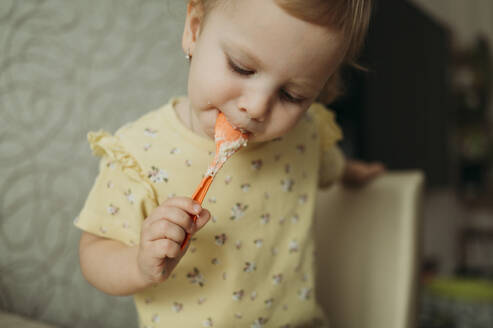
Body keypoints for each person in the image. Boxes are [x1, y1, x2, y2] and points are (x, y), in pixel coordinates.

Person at [75, 0, 381, 327]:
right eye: (242, 67)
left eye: (292, 95)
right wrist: (138, 264)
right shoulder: (140, 154)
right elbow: (94, 250)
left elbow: (326, 164)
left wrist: (351, 171)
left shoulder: (304, 135)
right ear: (194, 29)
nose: (256, 107)